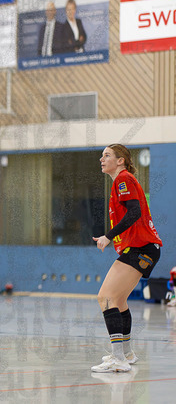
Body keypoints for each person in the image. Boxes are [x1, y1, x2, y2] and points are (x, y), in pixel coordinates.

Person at [91, 144, 162, 373]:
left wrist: (108, 236)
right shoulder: (121, 182)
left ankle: (118, 358)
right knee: (118, 300)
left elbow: (134, 212)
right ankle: (127, 354)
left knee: (105, 298)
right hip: (143, 249)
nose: (102, 159)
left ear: (120, 160)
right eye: (101, 155)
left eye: (107, 155)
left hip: (141, 248)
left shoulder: (123, 179)